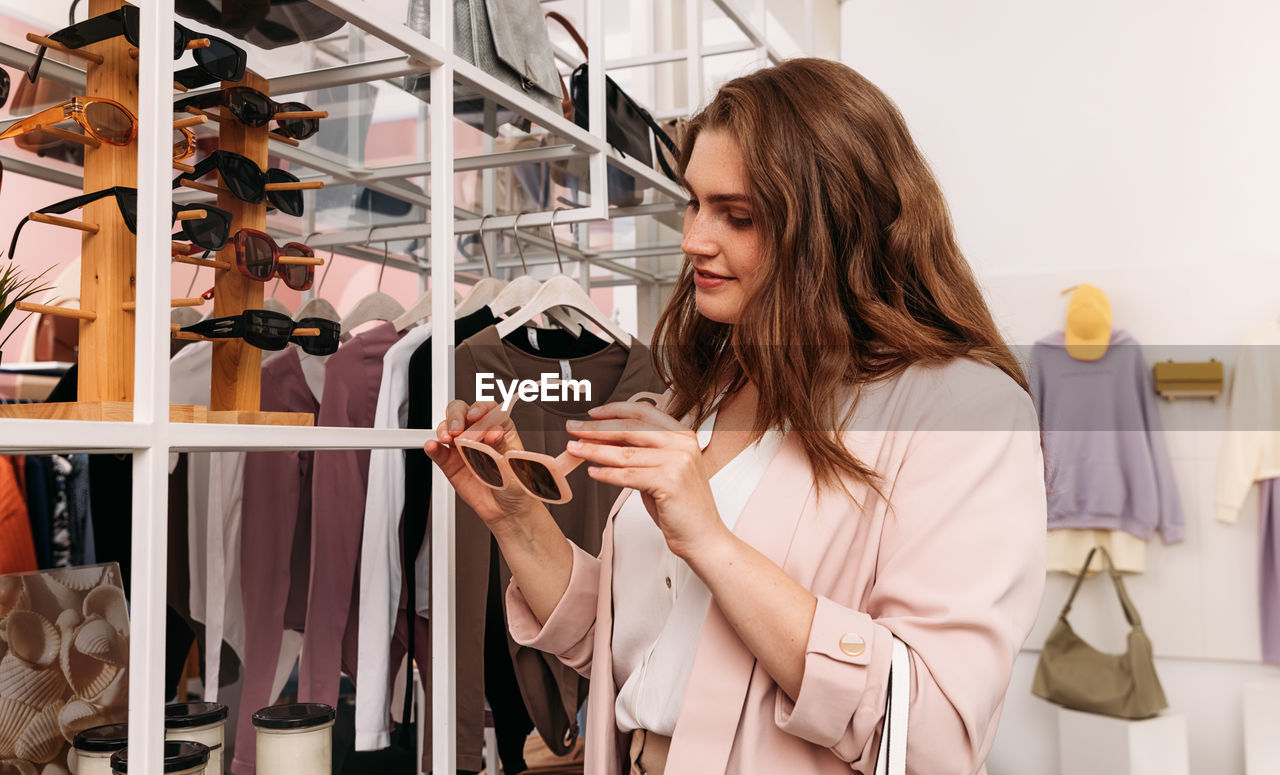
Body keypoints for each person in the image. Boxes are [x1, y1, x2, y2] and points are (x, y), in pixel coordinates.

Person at [425, 57, 1047, 775]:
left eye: (737, 215)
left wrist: (712, 542)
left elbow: (932, 732)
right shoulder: (705, 390)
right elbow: (648, 643)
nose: (693, 239)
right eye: (693, 203)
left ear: (835, 227)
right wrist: (515, 519)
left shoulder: (966, 411)